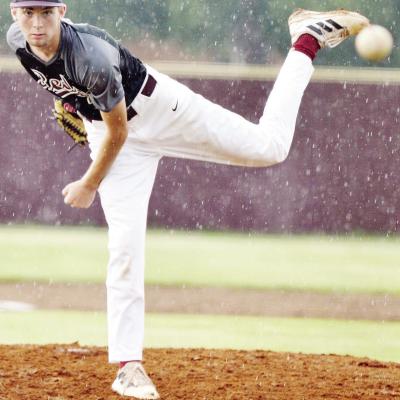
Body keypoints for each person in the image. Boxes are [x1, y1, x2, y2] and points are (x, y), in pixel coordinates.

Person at [7, 1, 369, 398]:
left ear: (62, 12)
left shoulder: (91, 56)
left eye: (45, 12)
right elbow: (62, 84)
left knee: (270, 147)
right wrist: (71, 102)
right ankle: (129, 367)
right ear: (13, 14)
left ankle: (307, 39)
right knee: (123, 247)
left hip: (157, 111)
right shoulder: (19, 43)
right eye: (27, 12)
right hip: (110, 133)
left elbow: (118, 134)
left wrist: (89, 183)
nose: (36, 23)